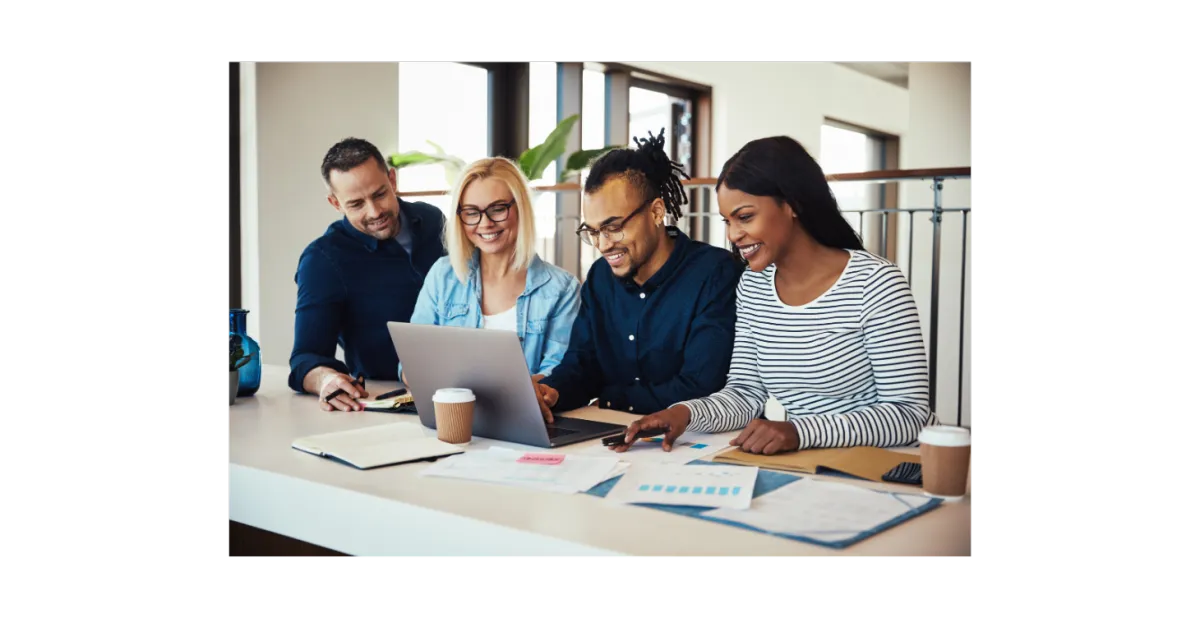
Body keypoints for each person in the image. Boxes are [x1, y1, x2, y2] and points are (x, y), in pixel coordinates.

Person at [611, 135, 936, 455]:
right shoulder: (754, 286)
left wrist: (799, 431)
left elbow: (910, 414)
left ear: (791, 204)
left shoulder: (876, 284)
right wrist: (681, 414)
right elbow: (745, 393)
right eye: (727, 221)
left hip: (892, 463)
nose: (733, 235)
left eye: (745, 216)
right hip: (813, 462)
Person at [534, 129, 743, 417]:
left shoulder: (716, 274)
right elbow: (582, 364)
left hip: (697, 441)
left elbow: (701, 386)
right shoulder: (600, 278)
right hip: (616, 438)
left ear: (657, 211)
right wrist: (553, 391)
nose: (603, 244)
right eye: (593, 231)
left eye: (613, 227)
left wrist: (612, 400)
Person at [401, 157, 582, 422]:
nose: (485, 223)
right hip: (451, 421)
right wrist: (414, 370)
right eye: (472, 212)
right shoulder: (443, 276)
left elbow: (557, 374)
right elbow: (410, 362)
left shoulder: (561, 289)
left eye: (498, 209)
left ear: (520, 208)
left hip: (521, 423)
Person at [288, 137, 447, 412]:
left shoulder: (433, 220)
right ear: (335, 203)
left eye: (379, 194)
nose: (375, 212)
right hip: (390, 401)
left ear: (393, 180)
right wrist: (326, 379)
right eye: (356, 204)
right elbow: (305, 357)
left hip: (464, 391)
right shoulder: (323, 260)